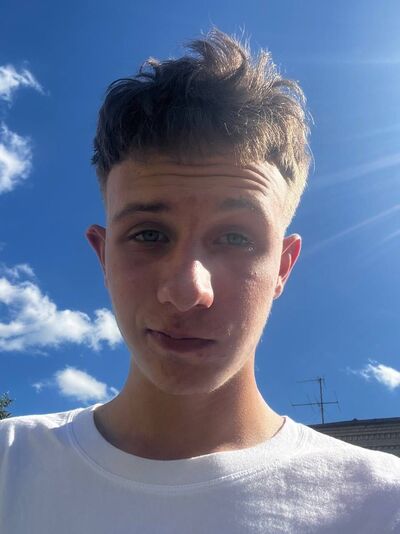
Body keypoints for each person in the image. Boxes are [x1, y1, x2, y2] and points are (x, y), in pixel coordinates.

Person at [1, 29, 399, 534]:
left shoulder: (382, 505)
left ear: (283, 266)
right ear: (103, 256)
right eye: (149, 234)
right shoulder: (9, 465)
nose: (189, 290)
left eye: (235, 238)